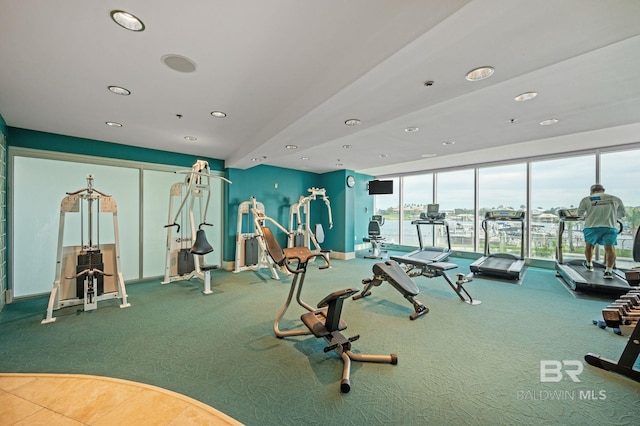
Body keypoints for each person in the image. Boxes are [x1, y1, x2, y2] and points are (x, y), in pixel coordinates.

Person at [577, 184, 625, 279]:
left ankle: (589, 265)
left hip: (591, 226)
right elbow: (621, 214)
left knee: (589, 246)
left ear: (591, 191)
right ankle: (608, 271)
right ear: (603, 190)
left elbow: (579, 214)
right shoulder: (615, 199)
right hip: (609, 226)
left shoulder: (587, 199)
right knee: (610, 248)